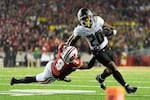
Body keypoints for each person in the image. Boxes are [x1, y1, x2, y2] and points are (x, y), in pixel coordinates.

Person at [66, 8, 137, 93]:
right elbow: (73, 39)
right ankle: (126, 86)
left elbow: (109, 27)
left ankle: (101, 78)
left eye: (87, 17)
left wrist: (112, 31)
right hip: (97, 51)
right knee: (112, 66)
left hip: (106, 47)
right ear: (80, 20)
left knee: (110, 69)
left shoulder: (98, 20)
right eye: (83, 19)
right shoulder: (80, 29)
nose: (86, 20)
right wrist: (66, 47)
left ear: (90, 16)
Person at [10, 43, 87, 85]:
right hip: (50, 75)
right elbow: (58, 75)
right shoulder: (72, 63)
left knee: (34, 78)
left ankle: (16, 81)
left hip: (50, 64)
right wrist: (62, 78)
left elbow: (62, 46)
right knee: (34, 79)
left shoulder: (61, 52)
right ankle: (16, 81)